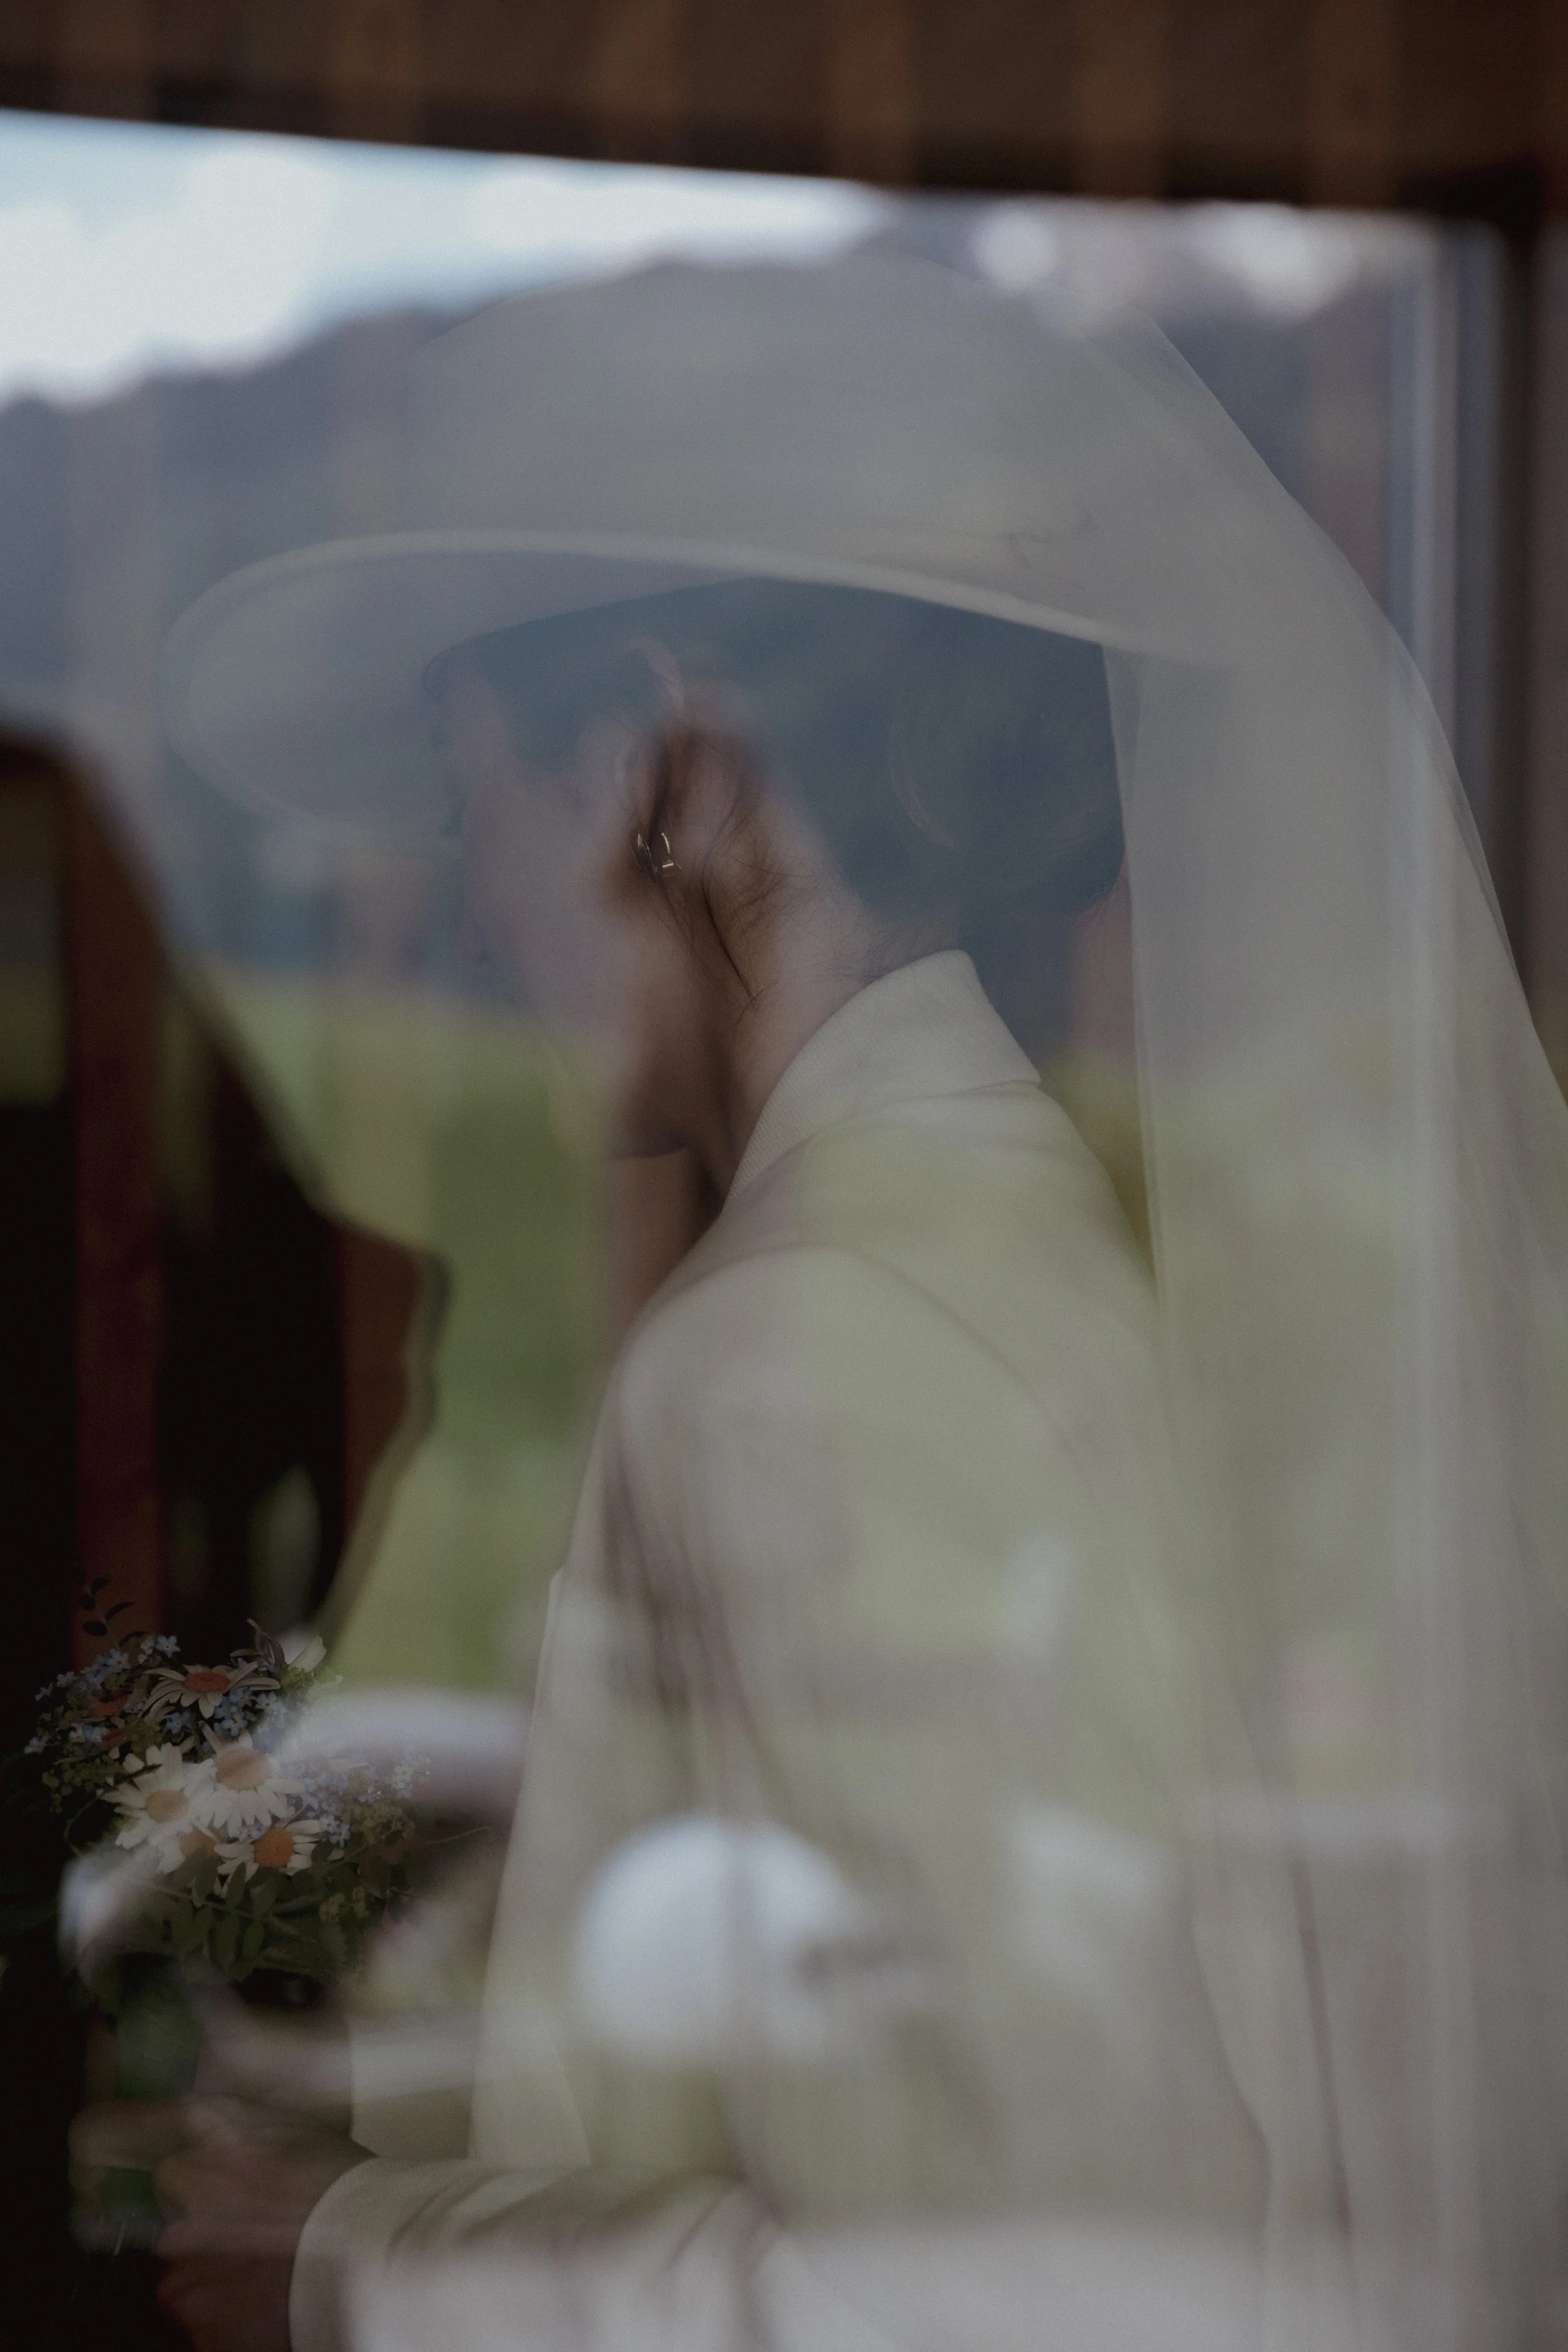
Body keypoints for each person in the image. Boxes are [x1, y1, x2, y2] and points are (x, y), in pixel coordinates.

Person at [115, 253, 1568, 2348]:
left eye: (475, 798)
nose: (459, 903)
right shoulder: (1043, 1258)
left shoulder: (804, 1351)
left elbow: (1063, 2282)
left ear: (670, 770)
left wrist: (351, 2275)